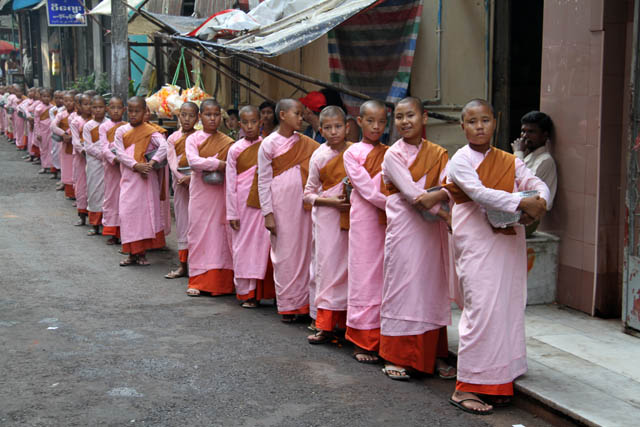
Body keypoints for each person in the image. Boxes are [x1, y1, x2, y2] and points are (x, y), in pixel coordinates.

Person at [446, 99, 549, 415]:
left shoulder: (509, 160)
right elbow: (479, 193)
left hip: (509, 243)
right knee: (481, 309)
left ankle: (498, 382)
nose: (479, 127)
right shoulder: (460, 160)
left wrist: (540, 202)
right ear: (462, 126)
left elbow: (536, 183)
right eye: (472, 121)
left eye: (485, 120)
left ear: (496, 122)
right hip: (477, 242)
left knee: (508, 307)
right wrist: (522, 203)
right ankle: (466, 386)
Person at [379, 97, 455, 382]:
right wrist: (445, 212)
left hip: (432, 233)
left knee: (431, 288)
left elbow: (451, 184)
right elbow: (414, 196)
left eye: (410, 115)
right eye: (399, 117)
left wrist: (443, 194)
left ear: (424, 118)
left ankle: (434, 354)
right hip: (405, 229)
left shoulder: (438, 153)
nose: (405, 121)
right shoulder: (392, 155)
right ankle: (397, 356)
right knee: (404, 288)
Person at [250, 98, 320, 322]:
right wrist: (268, 214)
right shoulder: (269, 144)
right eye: (297, 114)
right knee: (285, 254)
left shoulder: (306, 142)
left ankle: (306, 303)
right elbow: (263, 181)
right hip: (281, 205)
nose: (301, 118)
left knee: (306, 251)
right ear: (282, 115)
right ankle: (288, 305)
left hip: (304, 206)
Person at [342, 100, 388, 363]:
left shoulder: (390, 152)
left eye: (381, 122)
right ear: (359, 122)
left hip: (387, 221)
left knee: (384, 275)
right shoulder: (352, 153)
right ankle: (361, 338)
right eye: (370, 121)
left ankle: (383, 336)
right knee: (363, 275)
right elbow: (367, 189)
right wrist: (395, 204)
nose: (376, 127)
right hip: (364, 219)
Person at [303, 106, 351, 343]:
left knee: (351, 268)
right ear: (320, 130)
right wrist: (330, 201)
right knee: (326, 268)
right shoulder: (319, 156)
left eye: (338, 126)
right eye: (328, 128)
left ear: (347, 127)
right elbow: (308, 194)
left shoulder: (356, 152)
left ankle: (349, 323)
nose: (334, 132)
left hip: (353, 219)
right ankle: (324, 324)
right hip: (327, 219)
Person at [225, 105, 276, 307]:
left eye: (253, 122)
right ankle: (247, 293)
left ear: (260, 123)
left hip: (263, 203)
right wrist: (232, 213)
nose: (249, 126)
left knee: (264, 247)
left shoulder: (268, 145)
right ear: (239, 124)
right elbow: (230, 183)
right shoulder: (235, 149)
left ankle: (264, 291)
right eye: (245, 123)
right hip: (242, 205)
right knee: (243, 247)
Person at [183, 99, 235, 296]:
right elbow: (193, 162)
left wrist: (220, 165)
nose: (212, 119)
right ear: (200, 117)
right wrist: (217, 164)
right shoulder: (193, 139)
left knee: (220, 236)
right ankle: (197, 281)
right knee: (198, 234)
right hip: (200, 195)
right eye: (208, 115)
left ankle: (222, 284)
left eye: (216, 115)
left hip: (221, 194)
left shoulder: (228, 141)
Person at [114, 96, 168, 267]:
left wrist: (152, 163)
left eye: (137, 111)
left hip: (146, 180)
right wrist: (135, 165)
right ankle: (131, 253)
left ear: (145, 112)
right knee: (127, 213)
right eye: (130, 111)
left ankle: (141, 253)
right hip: (129, 177)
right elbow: (119, 153)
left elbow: (164, 146)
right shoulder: (121, 131)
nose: (133, 114)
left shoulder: (151, 131)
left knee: (143, 216)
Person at [165, 102, 199, 279]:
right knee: (183, 223)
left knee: (198, 224)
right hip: (180, 186)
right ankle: (183, 265)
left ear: (197, 118)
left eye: (191, 116)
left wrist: (192, 177)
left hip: (198, 185)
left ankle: (198, 266)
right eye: (184, 115)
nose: (187, 119)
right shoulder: (173, 138)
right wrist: (181, 178)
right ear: (179, 116)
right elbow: (172, 162)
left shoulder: (201, 137)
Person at [511, 111, 557, 235]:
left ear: (544, 135)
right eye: (523, 131)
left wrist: (518, 153)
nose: (525, 136)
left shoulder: (545, 160)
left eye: (531, 132)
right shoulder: (530, 157)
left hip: (528, 218)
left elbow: (521, 188)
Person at [99, 96, 126, 245]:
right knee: (111, 198)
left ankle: (124, 231)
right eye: (113, 108)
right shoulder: (104, 127)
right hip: (111, 167)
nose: (116, 111)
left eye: (119, 108)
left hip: (125, 167)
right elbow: (103, 147)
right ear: (108, 109)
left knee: (124, 198)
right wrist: (114, 158)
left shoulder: (127, 126)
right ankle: (112, 231)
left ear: (124, 110)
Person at [83, 95, 108, 237]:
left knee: (108, 192)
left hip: (109, 164)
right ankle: (94, 224)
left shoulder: (110, 124)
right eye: (95, 107)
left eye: (101, 107)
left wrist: (108, 155)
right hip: (94, 163)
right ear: (91, 109)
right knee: (94, 192)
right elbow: (88, 147)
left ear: (106, 108)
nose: (98, 110)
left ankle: (108, 223)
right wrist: (103, 155)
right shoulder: (88, 126)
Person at [70, 93, 92, 226]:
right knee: (81, 186)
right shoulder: (75, 122)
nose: (88, 107)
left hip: (95, 159)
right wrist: (84, 151)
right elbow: (75, 141)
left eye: (91, 104)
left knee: (95, 186)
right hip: (81, 157)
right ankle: (82, 216)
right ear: (79, 106)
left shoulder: (97, 121)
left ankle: (97, 217)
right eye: (85, 104)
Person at [51, 91, 76, 198]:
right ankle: (69, 190)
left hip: (76, 144)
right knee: (66, 166)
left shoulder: (78, 114)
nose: (68, 103)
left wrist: (71, 135)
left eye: (71, 100)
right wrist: (64, 134)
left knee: (76, 169)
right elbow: (53, 126)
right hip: (66, 144)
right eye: (66, 101)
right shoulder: (61, 114)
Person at [34, 88, 53, 174]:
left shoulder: (52, 107)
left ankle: (52, 166)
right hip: (42, 131)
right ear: (41, 98)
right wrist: (37, 133)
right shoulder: (38, 108)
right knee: (43, 148)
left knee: (51, 148)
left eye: (48, 96)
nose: (46, 98)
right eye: (44, 96)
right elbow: (36, 122)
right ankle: (44, 166)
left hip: (51, 130)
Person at [49, 90, 65, 182]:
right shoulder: (52, 110)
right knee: (54, 151)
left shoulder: (65, 109)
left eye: (61, 98)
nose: (59, 100)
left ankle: (63, 174)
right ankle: (55, 170)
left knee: (63, 154)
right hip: (56, 133)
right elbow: (53, 122)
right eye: (56, 98)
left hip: (64, 134)